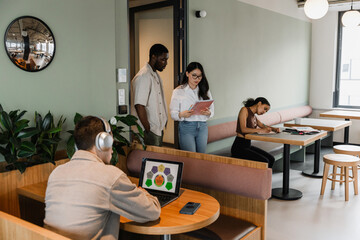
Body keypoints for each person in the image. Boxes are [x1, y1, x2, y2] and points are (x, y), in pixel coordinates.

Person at [44, 116, 161, 240]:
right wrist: (144, 193)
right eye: (110, 141)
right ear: (102, 142)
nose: (112, 148)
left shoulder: (56, 173)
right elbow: (152, 211)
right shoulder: (110, 177)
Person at [169, 62, 214, 153]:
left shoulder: (205, 90)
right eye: (194, 76)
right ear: (187, 74)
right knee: (190, 157)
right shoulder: (178, 91)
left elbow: (212, 110)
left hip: (202, 127)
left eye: (200, 76)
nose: (197, 79)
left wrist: (208, 113)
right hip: (186, 127)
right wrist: (182, 114)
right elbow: (173, 114)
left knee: (201, 157)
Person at [131, 43, 169, 146]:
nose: (166, 63)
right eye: (163, 59)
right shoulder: (143, 76)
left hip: (157, 128)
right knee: (152, 160)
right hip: (150, 130)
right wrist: (147, 129)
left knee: (157, 159)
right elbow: (139, 105)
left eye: (166, 60)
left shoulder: (154, 74)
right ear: (153, 57)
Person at [231, 97, 280, 168]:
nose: (264, 112)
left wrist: (274, 129)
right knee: (265, 161)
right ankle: (260, 178)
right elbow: (243, 129)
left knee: (271, 159)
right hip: (239, 147)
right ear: (259, 103)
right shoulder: (244, 110)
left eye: (266, 111)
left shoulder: (254, 116)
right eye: (265, 109)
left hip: (247, 145)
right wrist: (261, 130)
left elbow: (263, 126)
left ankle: (265, 178)